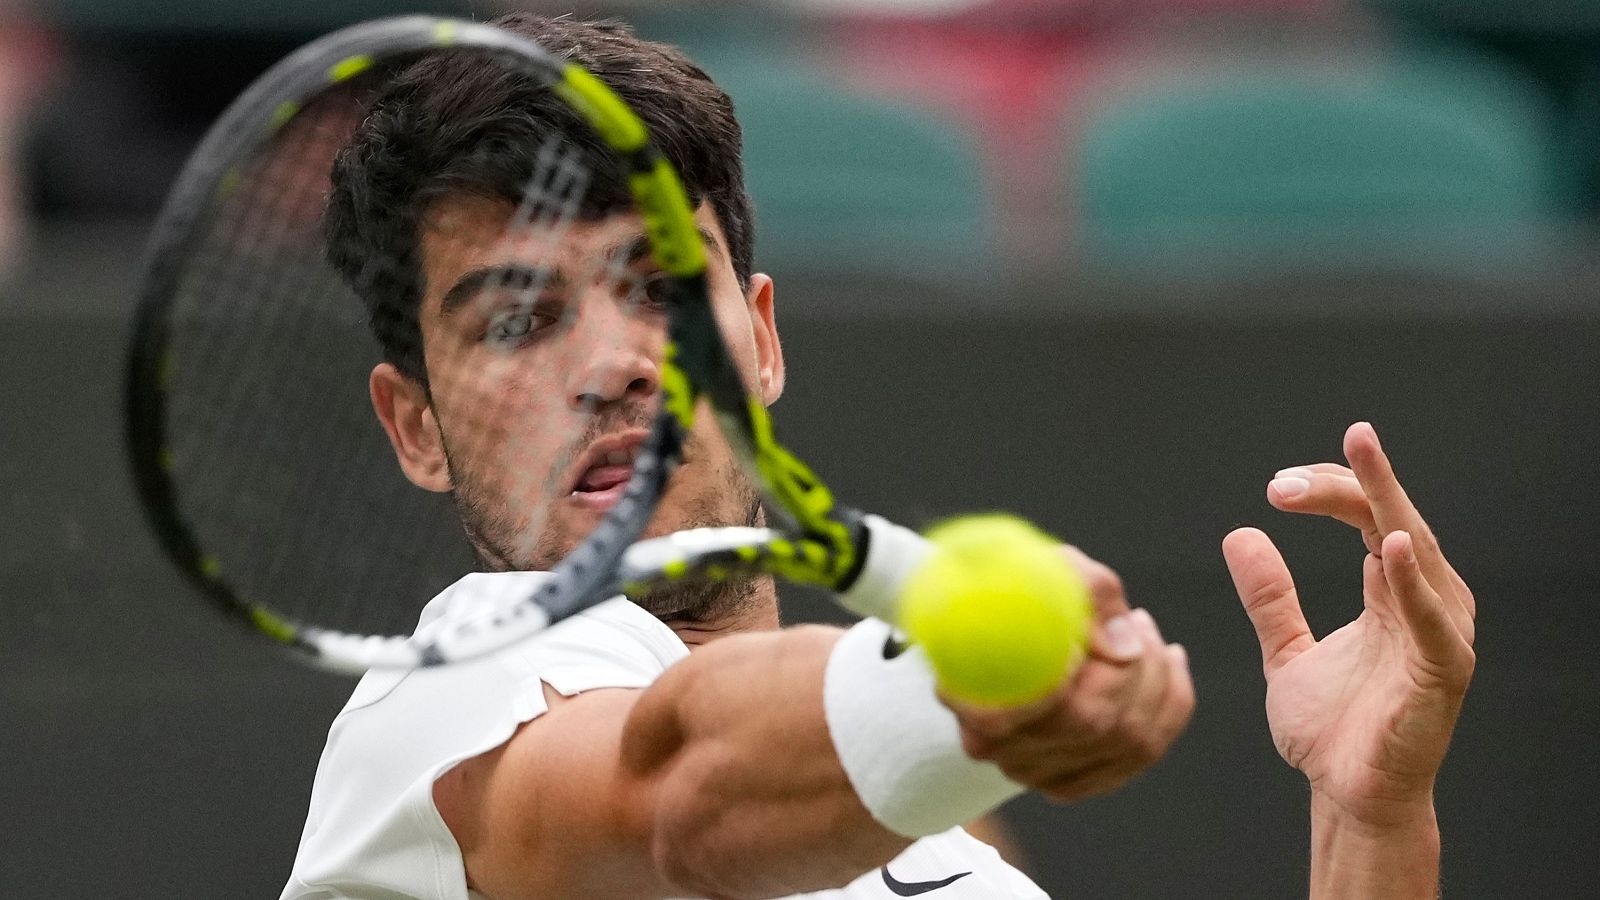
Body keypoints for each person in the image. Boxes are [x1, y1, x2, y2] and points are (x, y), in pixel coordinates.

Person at [282, 14, 1475, 899]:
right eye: (519, 320)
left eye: (658, 286)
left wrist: (1369, 820)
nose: (614, 364)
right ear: (416, 425)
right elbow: (673, 800)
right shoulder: (443, 707)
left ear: (759, 338)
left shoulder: (958, 863)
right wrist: (952, 709)